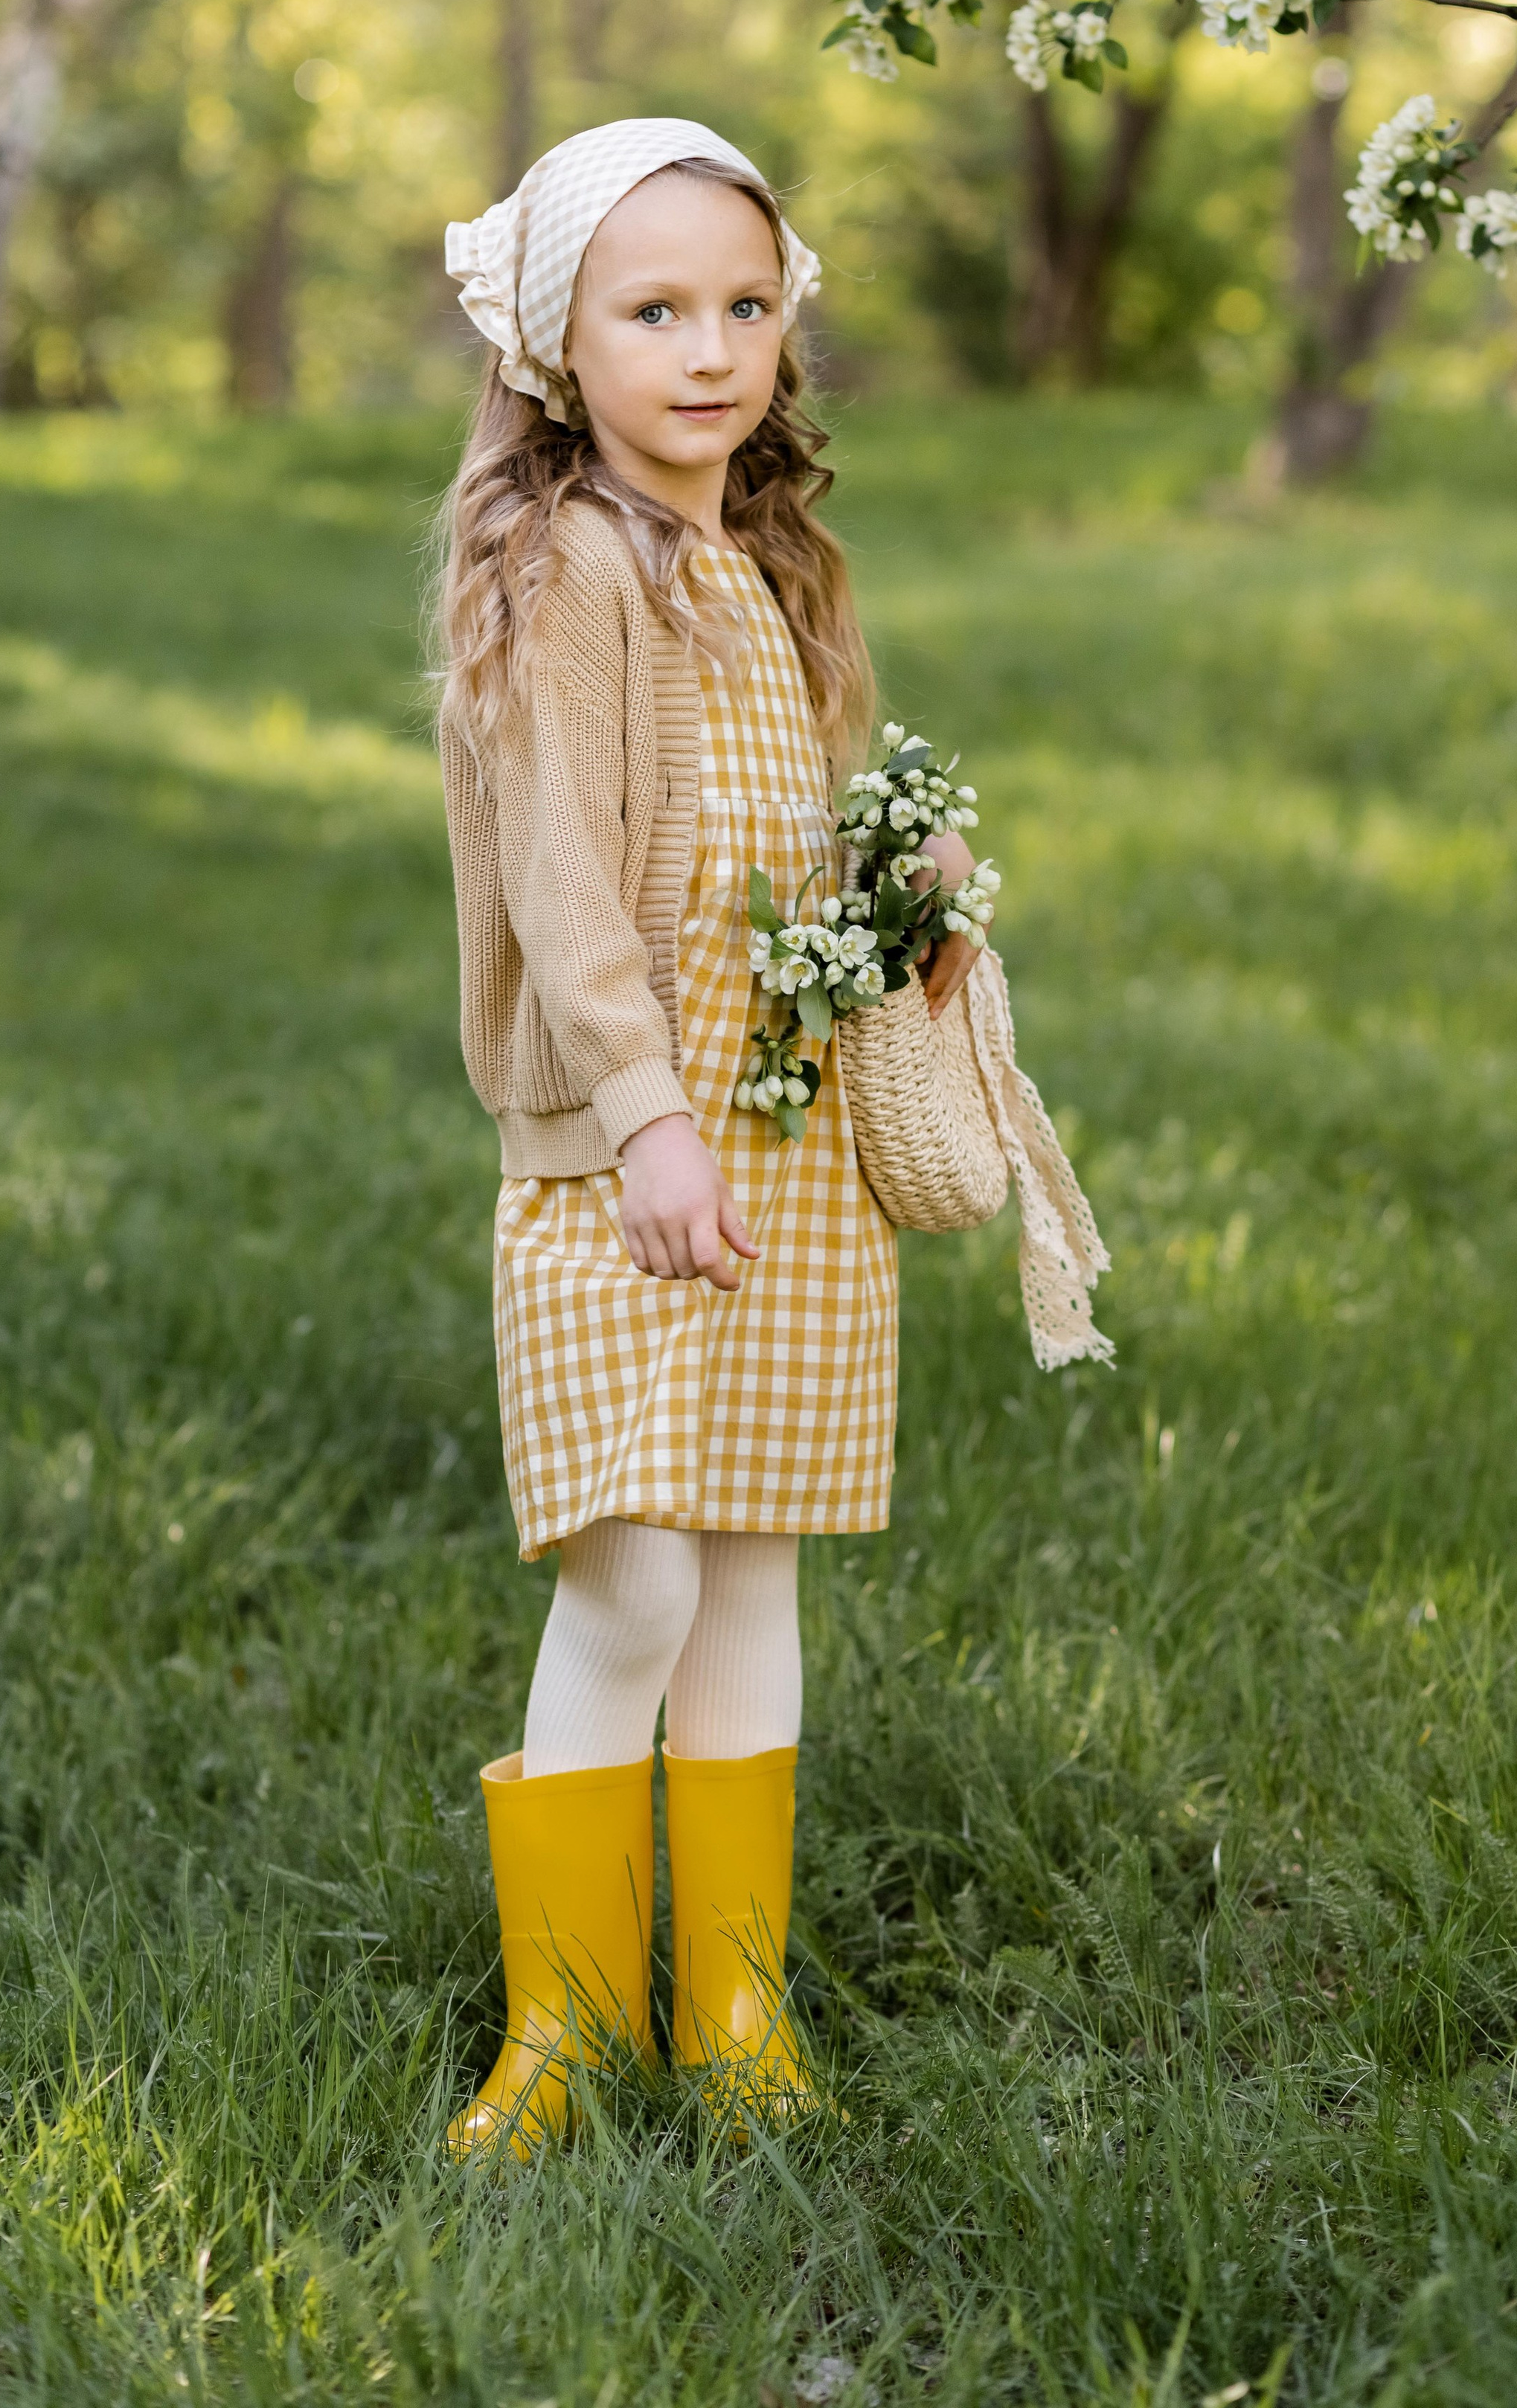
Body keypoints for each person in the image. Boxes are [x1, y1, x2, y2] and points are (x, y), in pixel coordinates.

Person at [433, 118, 981, 2159]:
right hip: (630, 1150)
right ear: (557, 346)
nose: (712, 348)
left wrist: (899, 887)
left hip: (790, 1147)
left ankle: (735, 2015)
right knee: (636, 1579)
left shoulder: (762, 571)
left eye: (746, 305)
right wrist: (644, 1116)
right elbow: (565, 879)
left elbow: (770, 848)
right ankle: (564, 2030)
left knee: (752, 1565)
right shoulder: (567, 570)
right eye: (656, 309)